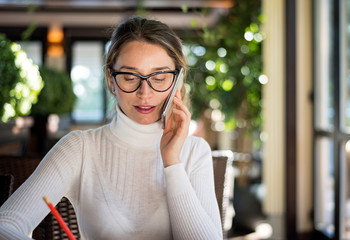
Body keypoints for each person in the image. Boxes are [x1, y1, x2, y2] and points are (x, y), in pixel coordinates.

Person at [0, 16, 223, 239]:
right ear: (111, 79)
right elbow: (6, 225)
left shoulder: (195, 151)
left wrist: (172, 162)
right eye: (128, 77)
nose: (144, 93)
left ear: (178, 80)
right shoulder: (80, 148)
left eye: (160, 77)